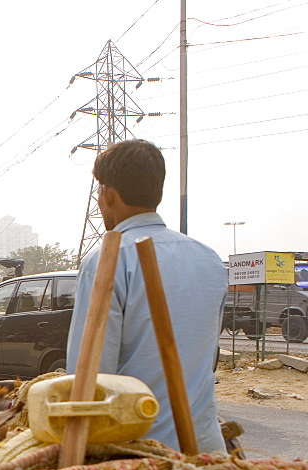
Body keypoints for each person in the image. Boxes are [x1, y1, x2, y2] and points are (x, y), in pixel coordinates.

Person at [66, 138, 226, 454]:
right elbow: (207, 357)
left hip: (138, 455)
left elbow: (90, 380)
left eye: (100, 192)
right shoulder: (210, 259)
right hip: (206, 450)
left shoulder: (108, 260)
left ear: (108, 195)